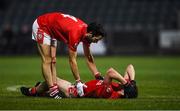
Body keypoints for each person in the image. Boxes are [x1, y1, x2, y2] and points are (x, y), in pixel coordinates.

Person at [31, 12, 106, 98]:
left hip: (51, 28)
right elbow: (72, 60)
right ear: (90, 33)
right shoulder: (76, 32)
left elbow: (88, 57)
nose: (96, 42)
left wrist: (97, 75)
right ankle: (52, 90)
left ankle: (46, 88)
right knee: (47, 59)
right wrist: (78, 82)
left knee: (53, 60)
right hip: (43, 25)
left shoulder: (86, 33)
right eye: (96, 39)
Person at [20, 64, 138, 99]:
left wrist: (127, 84)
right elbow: (130, 67)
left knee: (52, 78)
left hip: (74, 92)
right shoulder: (118, 87)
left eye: (125, 87)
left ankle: (33, 91)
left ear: (124, 92)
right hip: (76, 86)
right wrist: (131, 82)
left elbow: (110, 71)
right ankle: (41, 91)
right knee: (51, 84)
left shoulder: (110, 92)